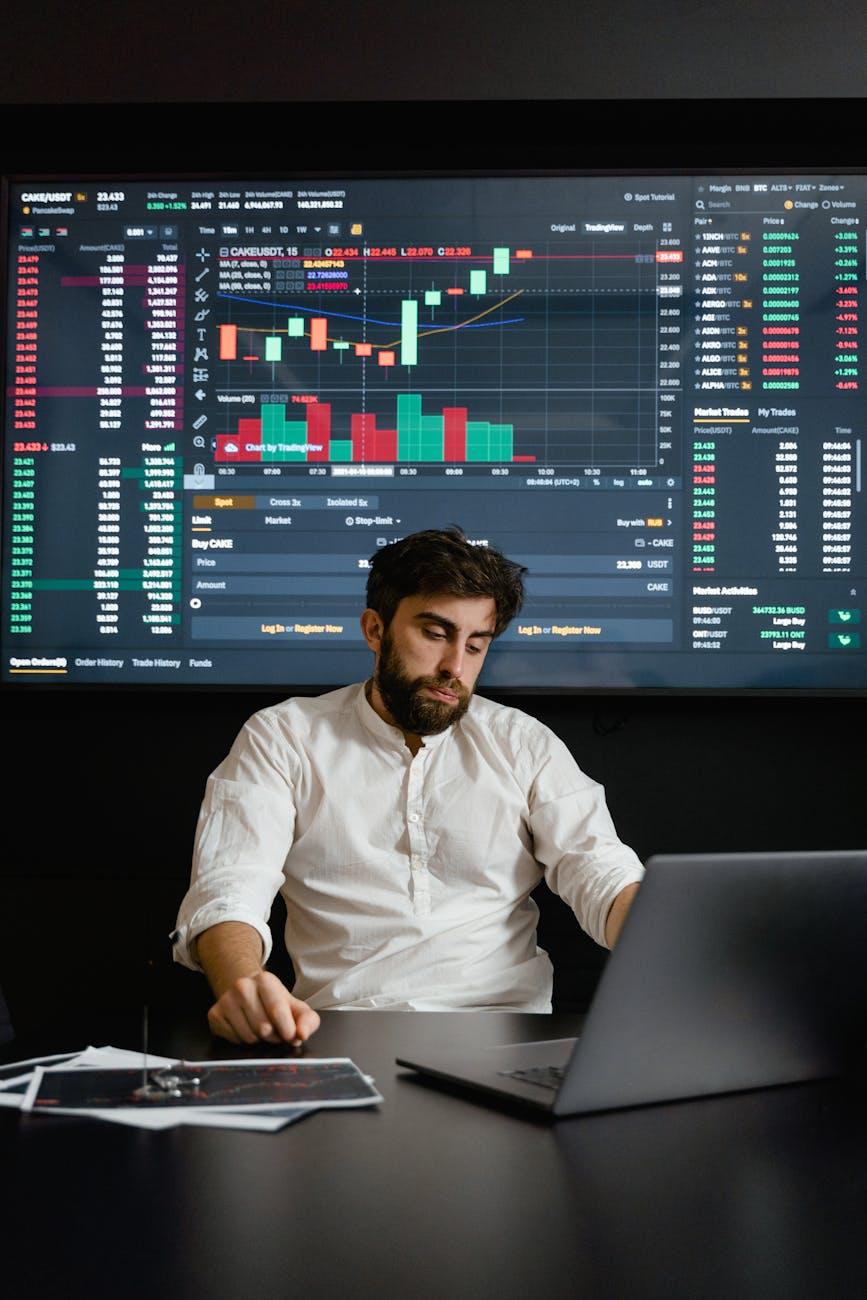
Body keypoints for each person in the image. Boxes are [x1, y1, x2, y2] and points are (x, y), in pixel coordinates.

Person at [173, 527, 643, 1046]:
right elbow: (230, 888)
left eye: (475, 645)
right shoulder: (283, 736)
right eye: (436, 634)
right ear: (375, 630)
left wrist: (663, 941)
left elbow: (600, 870)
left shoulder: (523, 743)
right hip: (341, 1031)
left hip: (509, 1034)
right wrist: (242, 983)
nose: (454, 668)